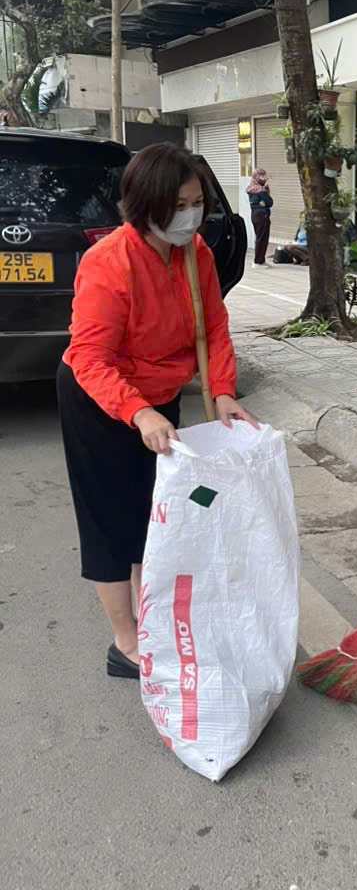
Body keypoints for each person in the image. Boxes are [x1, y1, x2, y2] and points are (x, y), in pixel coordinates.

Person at [57, 143, 257, 680]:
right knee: (110, 521)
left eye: (198, 203)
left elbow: (213, 328)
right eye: (181, 205)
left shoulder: (197, 255)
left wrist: (222, 392)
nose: (193, 216)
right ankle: (125, 644)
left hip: (159, 399)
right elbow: (88, 357)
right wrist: (138, 412)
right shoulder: (109, 264)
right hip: (100, 399)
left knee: (155, 514)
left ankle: (151, 620)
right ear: (146, 205)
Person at [247, 166, 273, 266]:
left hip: (254, 215)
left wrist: (264, 202)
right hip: (262, 216)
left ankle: (260, 260)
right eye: (263, 179)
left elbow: (264, 203)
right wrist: (268, 194)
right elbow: (270, 202)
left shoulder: (251, 189)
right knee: (262, 238)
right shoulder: (261, 191)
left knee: (259, 237)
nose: (265, 180)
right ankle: (258, 261)